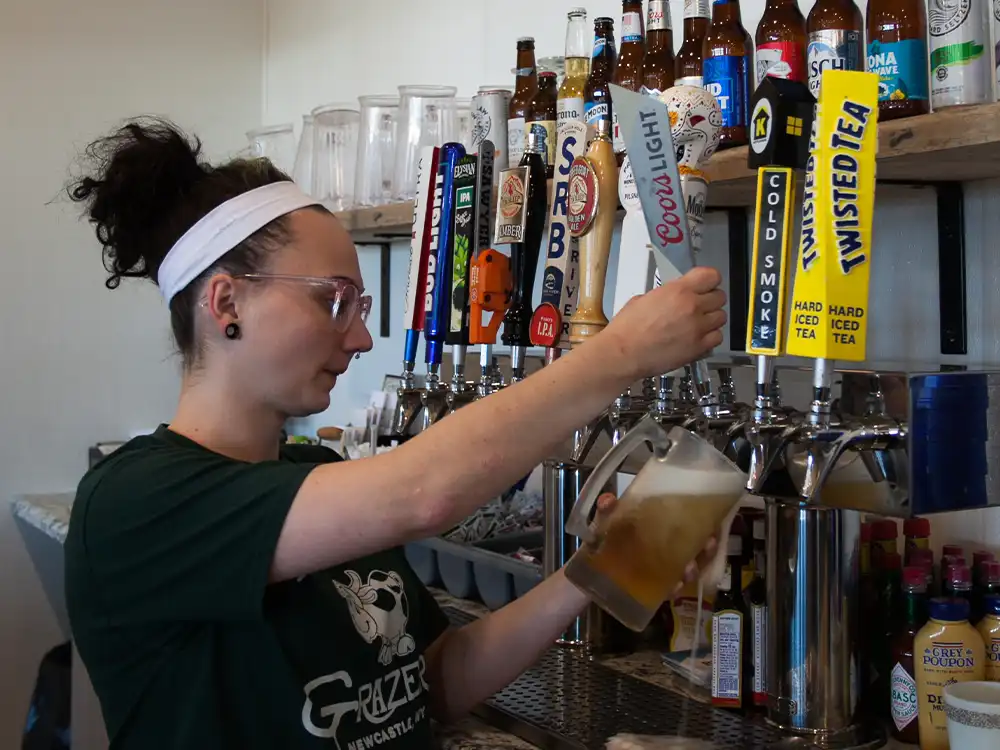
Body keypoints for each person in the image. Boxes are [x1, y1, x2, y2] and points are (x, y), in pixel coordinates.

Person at [63, 118, 728, 749]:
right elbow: (425, 494)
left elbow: (436, 679)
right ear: (226, 302)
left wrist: (593, 573)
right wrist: (620, 355)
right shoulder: (135, 502)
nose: (359, 337)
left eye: (362, 306)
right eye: (333, 300)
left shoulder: (312, 471)